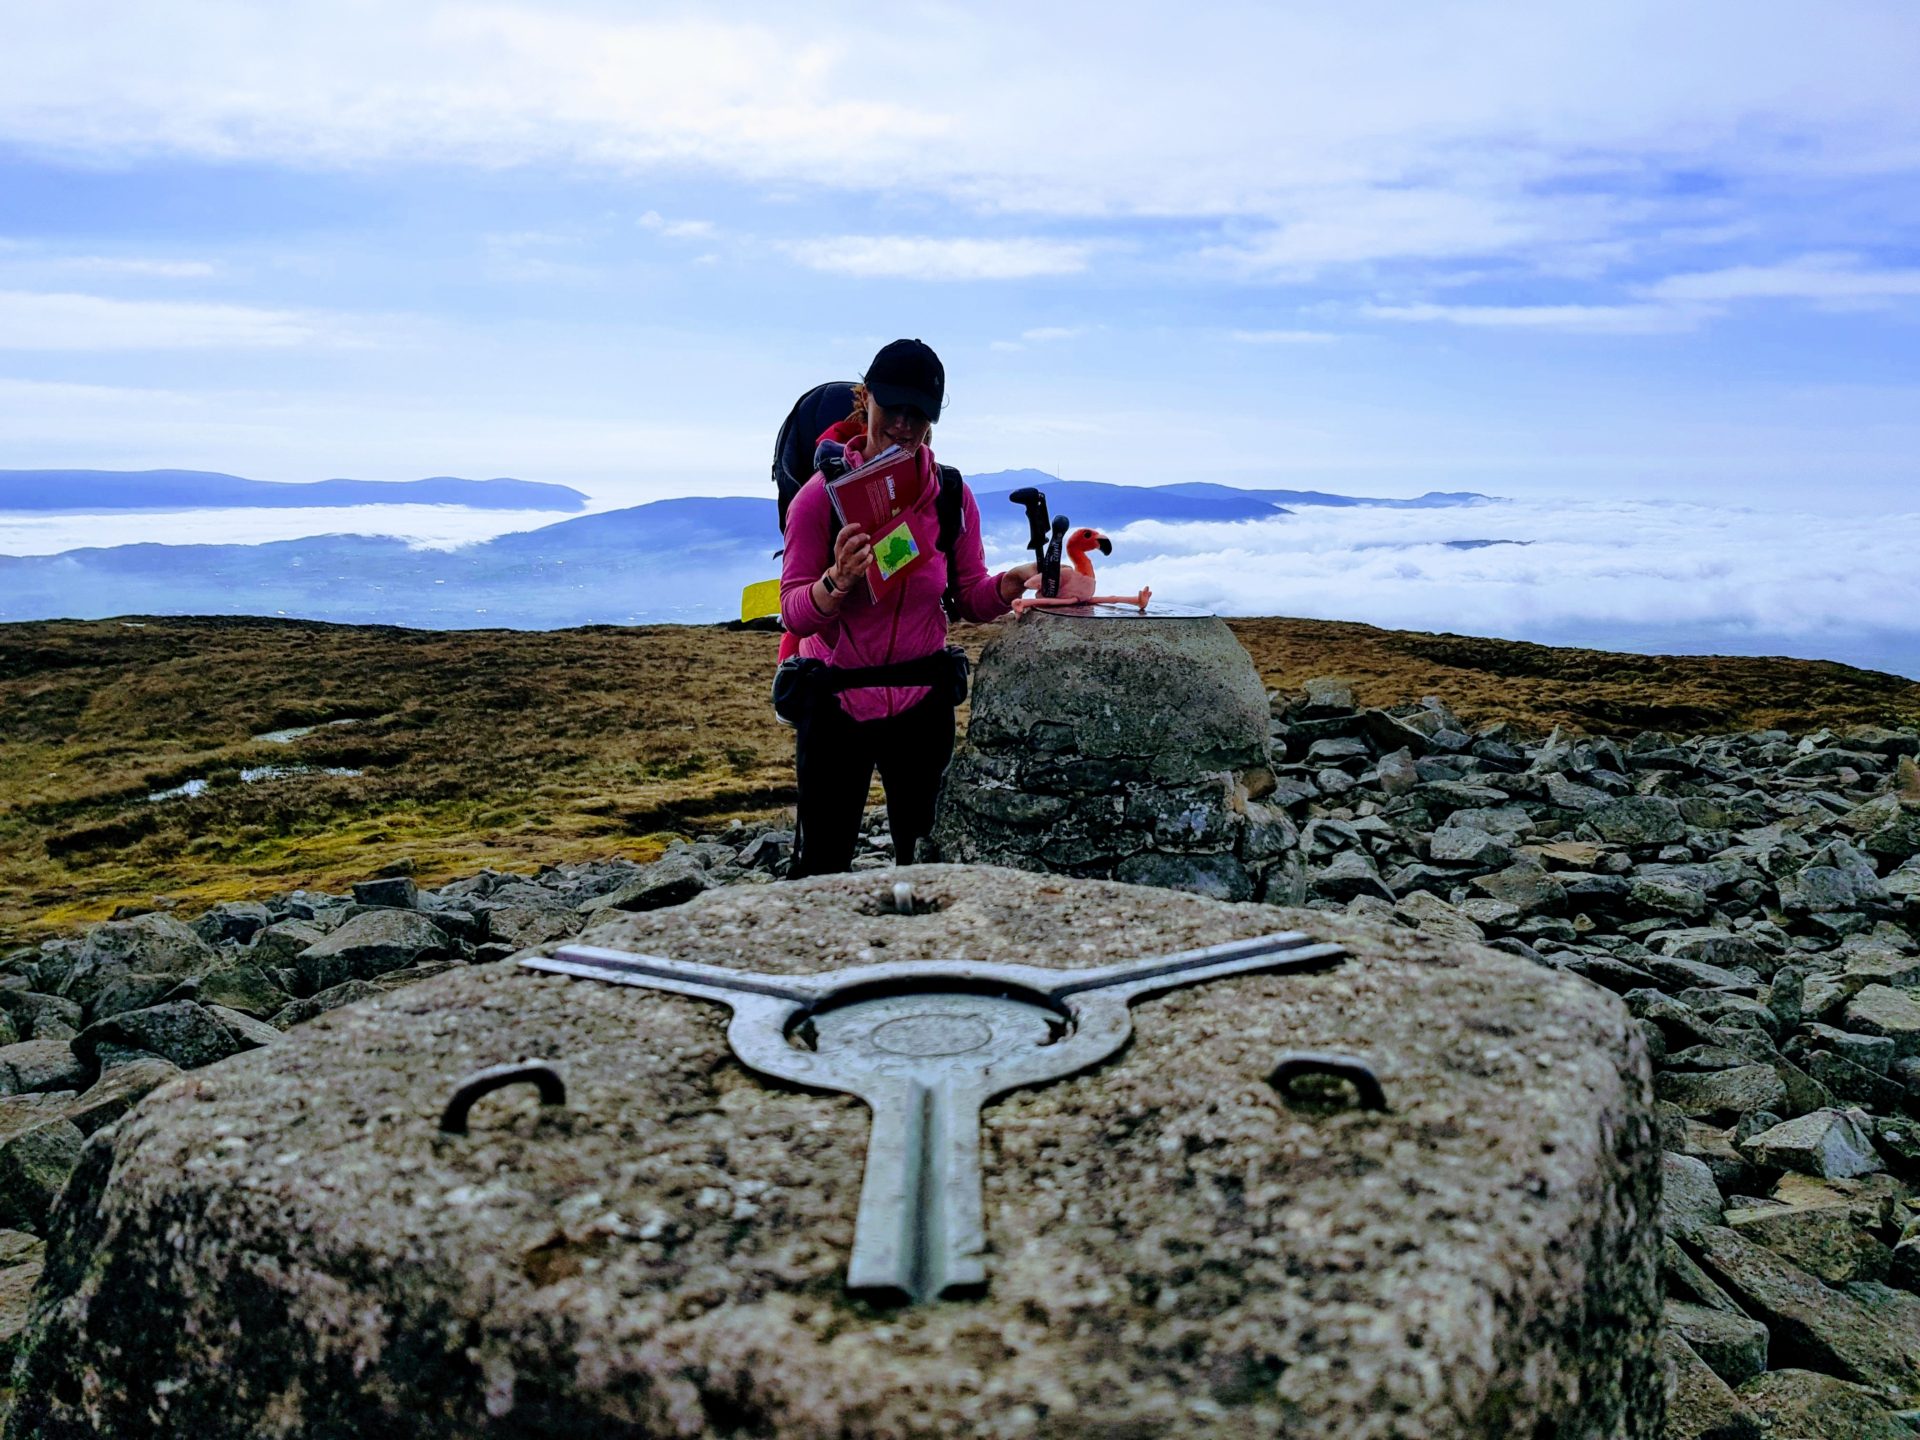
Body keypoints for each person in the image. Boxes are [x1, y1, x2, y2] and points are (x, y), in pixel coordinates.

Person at [779, 338, 1038, 876]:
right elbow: (795, 613)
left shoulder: (949, 494)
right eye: (891, 406)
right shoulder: (818, 499)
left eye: (917, 413)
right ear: (865, 398)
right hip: (836, 706)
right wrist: (837, 581)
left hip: (923, 705)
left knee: (925, 865)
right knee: (823, 869)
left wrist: (1007, 585)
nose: (902, 423)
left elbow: (967, 595)